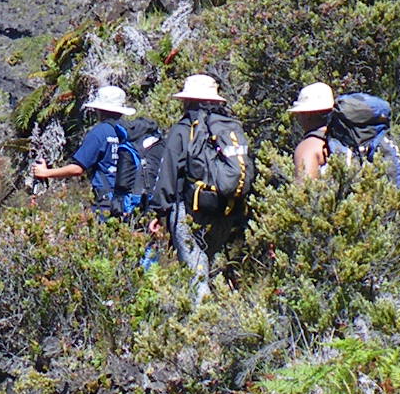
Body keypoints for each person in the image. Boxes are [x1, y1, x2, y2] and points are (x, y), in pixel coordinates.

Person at [152, 73, 250, 282]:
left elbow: (167, 172)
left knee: (195, 272)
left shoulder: (183, 129)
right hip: (224, 209)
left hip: (190, 210)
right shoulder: (228, 126)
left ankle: (201, 312)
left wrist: (159, 212)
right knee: (209, 263)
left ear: (188, 100)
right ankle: (220, 307)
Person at [29, 84, 153, 216]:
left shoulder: (100, 132)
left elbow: (77, 168)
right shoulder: (131, 131)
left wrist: (45, 172)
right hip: (132, 201)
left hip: (107, 202)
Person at [288, 82, 338, 180]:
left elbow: (303, 190)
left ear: (308, 114)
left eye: (299, 114)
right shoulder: (342, 137)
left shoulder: (308, 147)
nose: (298, 118)